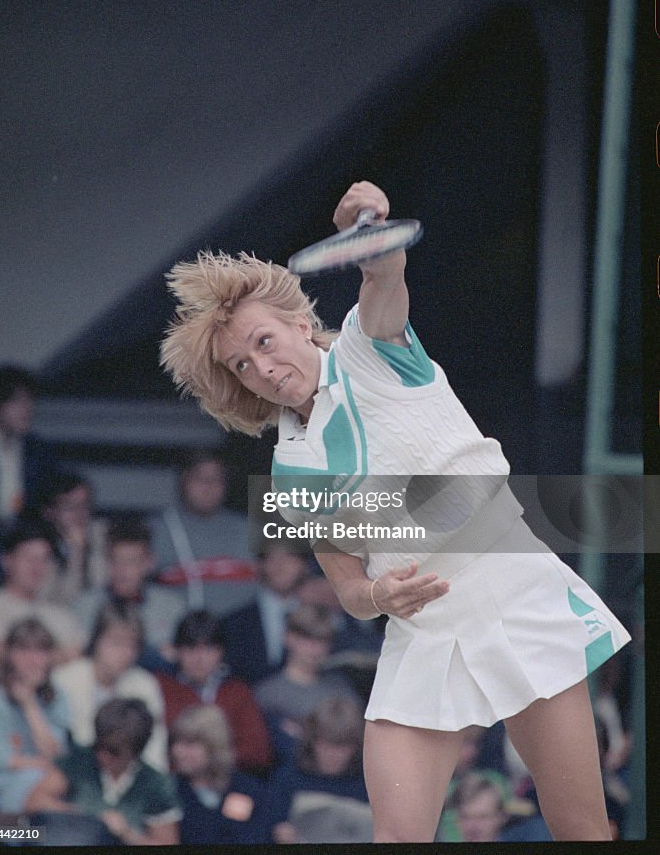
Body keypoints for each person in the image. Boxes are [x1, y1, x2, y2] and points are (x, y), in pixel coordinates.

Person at [159, 180, 632, 842]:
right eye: (240, 365)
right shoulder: (291, 471)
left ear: (300, 324)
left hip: (515, 592)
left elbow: (384, 272)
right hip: (425, 635)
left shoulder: (367, 350)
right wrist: (377, 591)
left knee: (581, 829)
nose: (260, 368)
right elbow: (348, 589)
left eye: (263, 342)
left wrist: (367, 227)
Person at [52, 599, 168, 771]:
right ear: (97, 640)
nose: (125, 653)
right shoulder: (65, 679)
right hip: (78, 772)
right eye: (116, 642)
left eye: (132, 646)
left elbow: (154, 748)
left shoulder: (145, 684)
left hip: (132, 778)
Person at [156, 610, 273, 774]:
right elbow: (157, 750)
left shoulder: (238, 692)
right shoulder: (161, 688)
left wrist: (209, 762)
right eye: (191, 648)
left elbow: (258, 751)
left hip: (229, 782)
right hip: (176, 783)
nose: (199, 658)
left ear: (221, 652)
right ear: (177, 651)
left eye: (208, 649)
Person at [0, 365, 61, 593]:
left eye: (30, 402)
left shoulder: (37, 449)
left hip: (22, 531)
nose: (27, 410)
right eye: (17, 402)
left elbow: (44, 499)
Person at [53, 697, 182, 845]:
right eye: (99, 746)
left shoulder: (156, 784)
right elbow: (33, 804)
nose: (103, 756)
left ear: (135, 751)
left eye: (113, 752)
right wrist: (86, 815)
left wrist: (127, 834)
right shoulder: (80, 760)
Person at [0, 618, 72, 817]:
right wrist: (42, 765)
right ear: (9, 655)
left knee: (58, 782)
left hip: (48, 781)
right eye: (23, 650)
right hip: (5, 785)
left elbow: (55, 754)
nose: (32, 660)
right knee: (56, 782)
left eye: (40, 651)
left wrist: (30, 705)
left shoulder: (57, 697)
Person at [149, 450, 257, 615]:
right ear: (184, 480)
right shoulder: (158, 530)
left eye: (216, 479)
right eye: (200, 478)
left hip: (241, 631)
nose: (208, 486)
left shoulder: (249, 528)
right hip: (181, 633)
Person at [252, 604, 361, 765]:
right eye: (307, 639)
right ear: (288, 638)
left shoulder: (341, 687)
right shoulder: (266, 693)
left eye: (322, 641)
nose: (315, 649)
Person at [74, 517, 186, 673]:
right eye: (115, 561)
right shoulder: (85, 606)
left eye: (131, 562)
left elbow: (182, 661)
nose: (122, 571)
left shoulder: (172, 607)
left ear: (149, 563)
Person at [0, 520, 87, 675]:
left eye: (44, 558)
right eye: (28, 557)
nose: (36, 566)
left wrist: (19, 655)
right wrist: (57, 656)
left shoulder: (61, 615)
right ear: (6, 560)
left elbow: (76, 654)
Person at [267, 695, 370, 844]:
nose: (333, 754)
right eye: (325, 744)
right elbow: (267, 826)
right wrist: (279, 834)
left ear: (356, 746)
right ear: (312, 741)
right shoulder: (288, 778)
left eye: (342, 746)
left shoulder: (368, 783)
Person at [169, 705, 273, 845]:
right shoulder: (168, 792)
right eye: (175, 742)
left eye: (189, 743)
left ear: (214, 746)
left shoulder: (248, 790)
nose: (177, 751)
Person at [220, 542, 311, 684]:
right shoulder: (232, 623)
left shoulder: (323, 619)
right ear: (259, 565)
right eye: (272, 558)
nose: (280, 565)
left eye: (289, 557)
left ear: (304, 566)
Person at [34, 471, 109, 606]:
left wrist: (86, 549)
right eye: (69, 506)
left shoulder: (102, 535)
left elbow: (100, 589)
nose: (79, 513)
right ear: (49, 512)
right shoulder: (39, 546)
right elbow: (59, 602)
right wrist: (76, 553)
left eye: (84, 505)